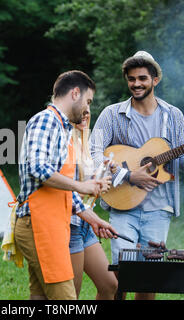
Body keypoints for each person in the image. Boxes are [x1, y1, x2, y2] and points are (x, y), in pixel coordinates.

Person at [90, 51, 184, 300]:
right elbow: (93, 151)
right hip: (122, 205)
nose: (136, 84)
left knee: (148, 279)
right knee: (120, 275)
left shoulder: (174, 116)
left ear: (155, 80)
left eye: (142, 78)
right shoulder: (112, 114)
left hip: (160, 209)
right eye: (131, 79)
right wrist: (127, 175)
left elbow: (182, 160)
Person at [14, 70, 117, 300]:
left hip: (49, 223)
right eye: (88, 101)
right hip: (38, 224)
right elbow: (37, 168)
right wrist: (83, 186)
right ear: (75, 93)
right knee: (66, 299)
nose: (87, 109)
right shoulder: (46, 120)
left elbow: (61, 190)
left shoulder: (62, 128)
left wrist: (93, 219)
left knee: (40, 297)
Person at [69, 109, 118, 300]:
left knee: (109, 285)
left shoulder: (83, 142)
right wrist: (94, 187)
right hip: (70, 224)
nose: (84, 116)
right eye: (79, 112)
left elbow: (85, 187)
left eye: (87, 111)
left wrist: (103, 174)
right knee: (71, 295)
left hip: (85, 224)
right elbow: (66, 191)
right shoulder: (65, 144)